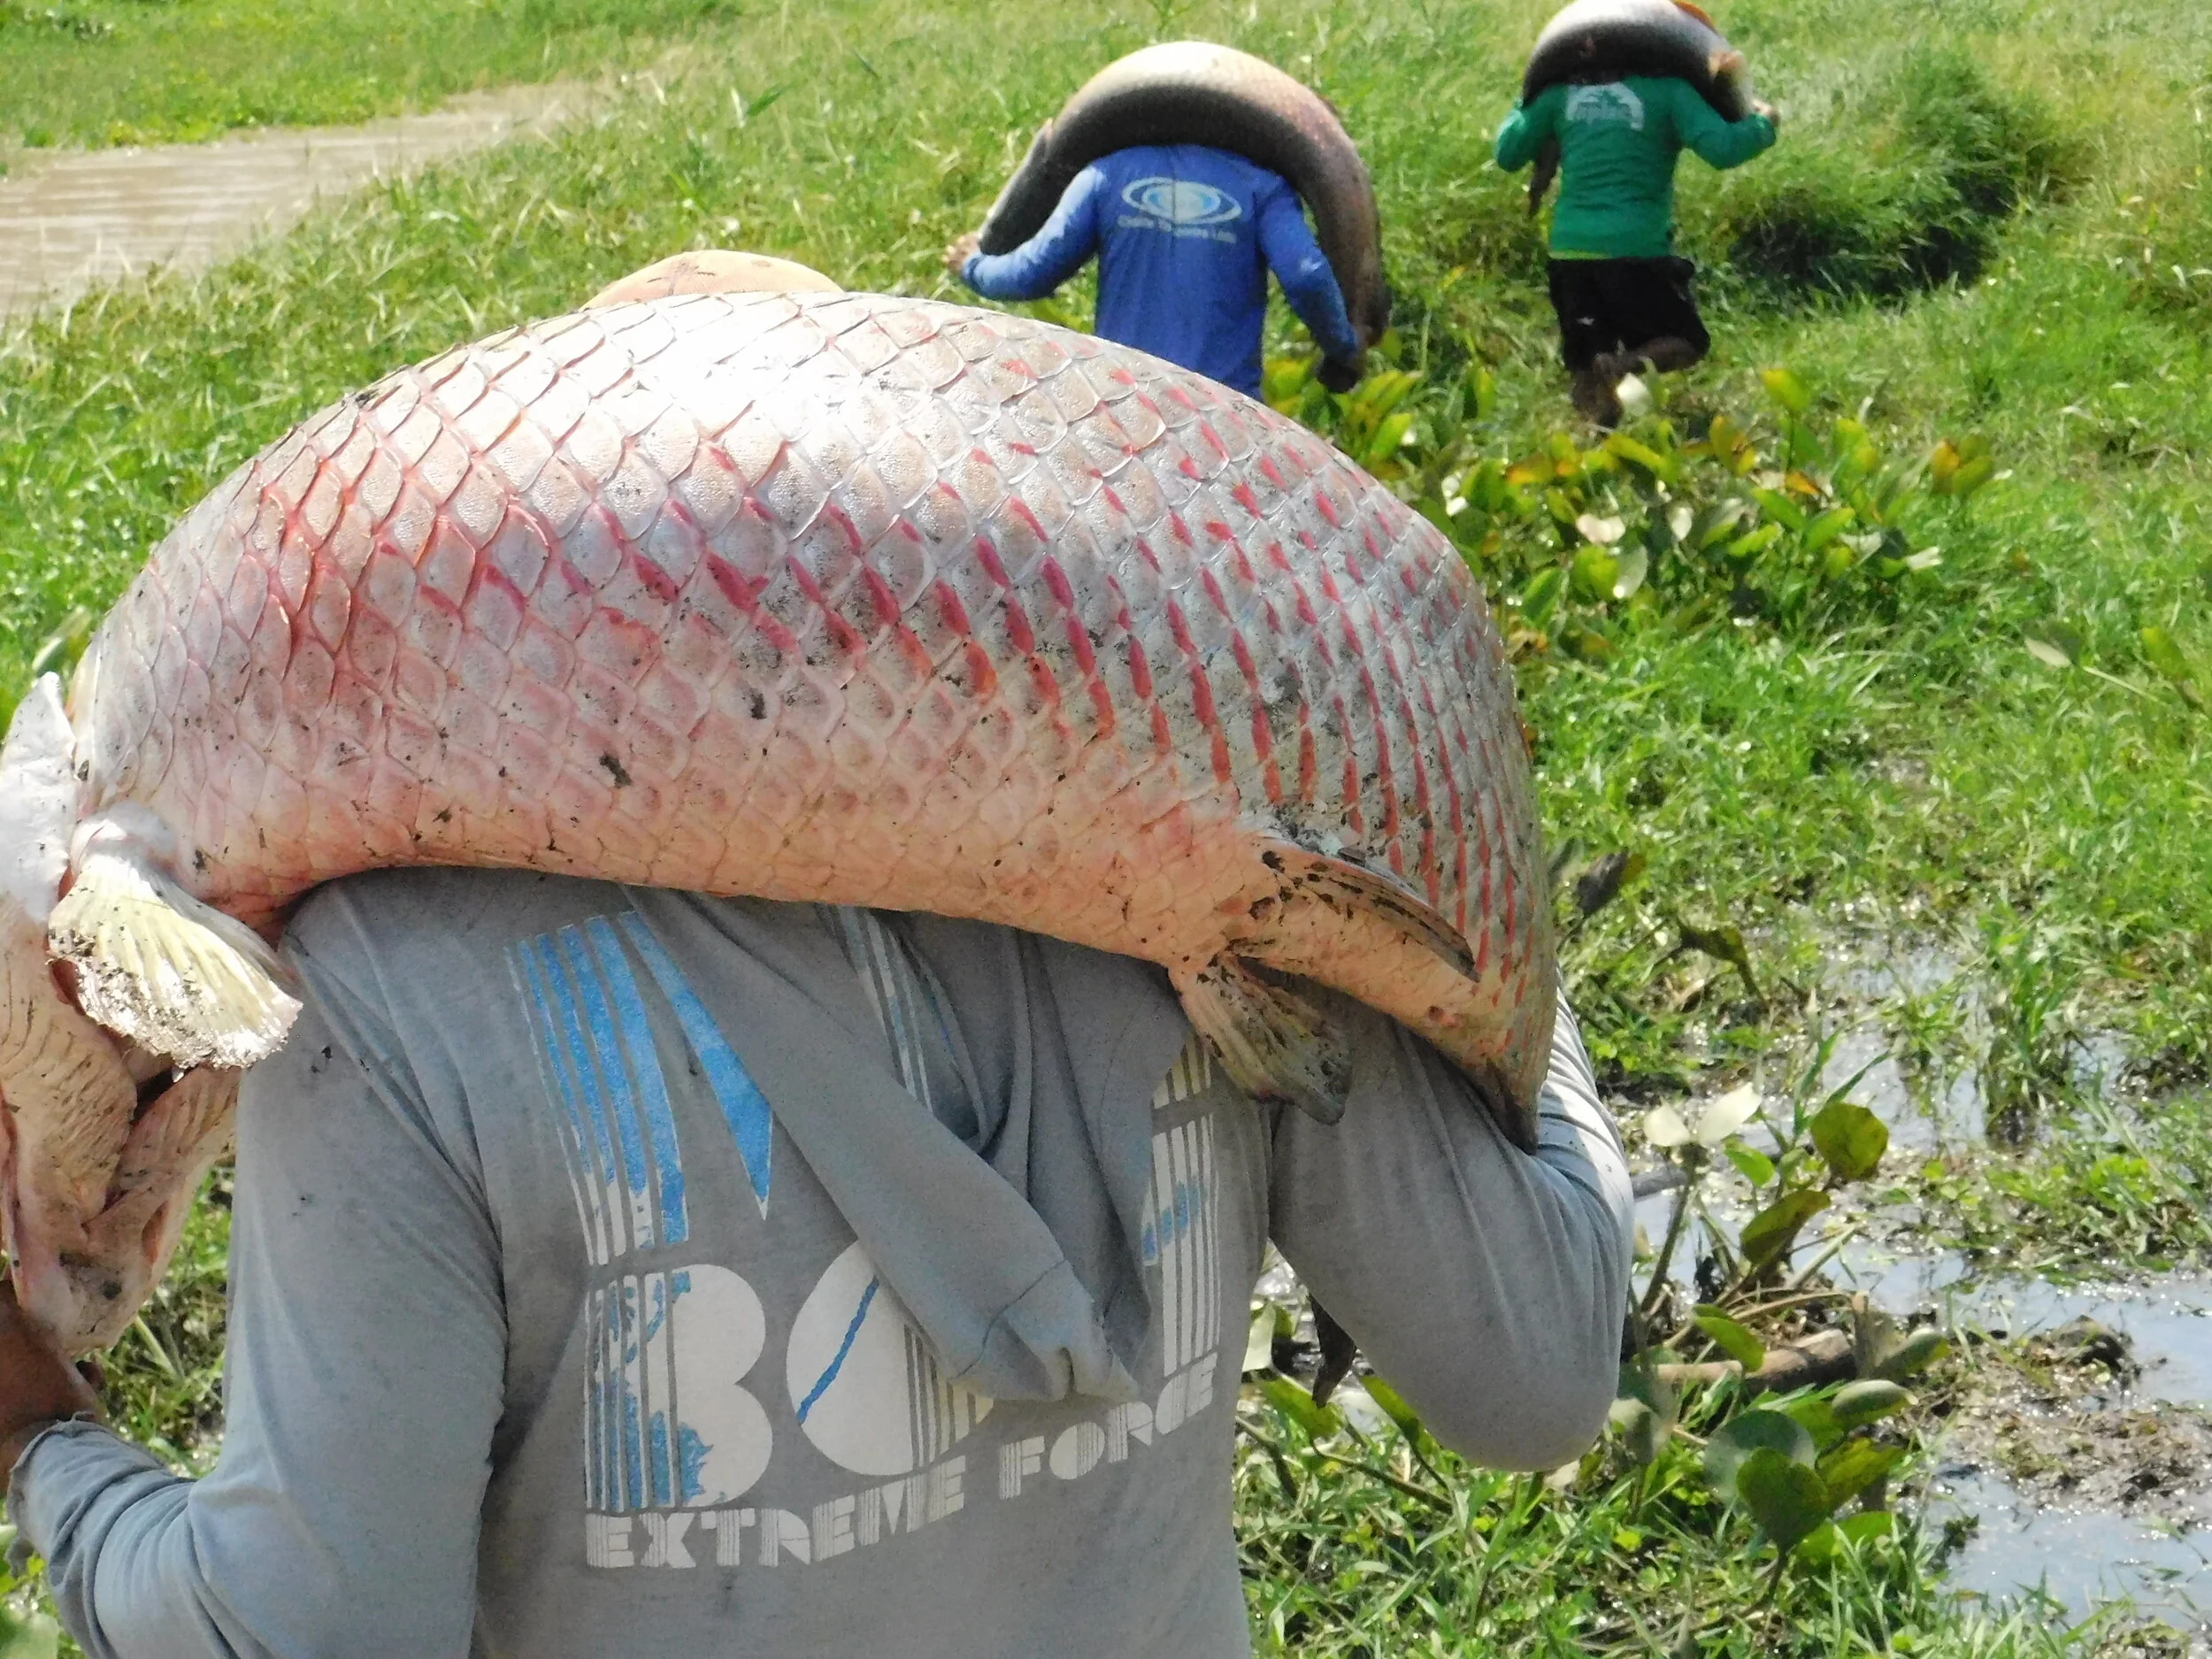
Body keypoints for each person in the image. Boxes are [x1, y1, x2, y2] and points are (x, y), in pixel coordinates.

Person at [0, 870, 1630, 1657]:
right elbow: (1538, 1371)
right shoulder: (1206, 880)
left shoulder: (387, 979)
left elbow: (313, 1637)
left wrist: (45, 1448)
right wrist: (1482, 976)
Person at [946, 143, 1367, 401]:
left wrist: (974, 266)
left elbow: (1032, 272)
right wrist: (1342, 347)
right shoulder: (1261, 184)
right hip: (1226, 416)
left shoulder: (1106, 174)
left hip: (1123, 407)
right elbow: (1307, 275)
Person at [1495, 57, 1778, 426]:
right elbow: (1724, 149)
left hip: (1570, 252)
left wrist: (1527, 97)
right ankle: (1623, 365)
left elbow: (1508, 154)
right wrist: (1766, 123)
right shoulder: (1671, 92)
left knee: (1586, 368)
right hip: (1636, 251)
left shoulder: (1559, 94)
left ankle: (1592, 456)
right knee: (1685, 342)